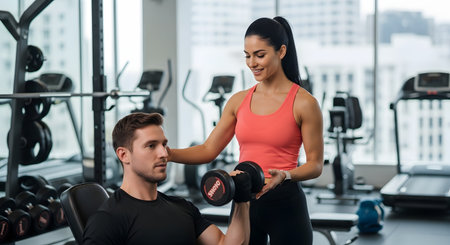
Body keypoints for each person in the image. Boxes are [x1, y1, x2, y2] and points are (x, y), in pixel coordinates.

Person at [168, 16, 323, 245]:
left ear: (281, 51)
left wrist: (286, 175)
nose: (252, 63)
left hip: (286, 204)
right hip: (244, 201)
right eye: (247, 55)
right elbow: (208, 149)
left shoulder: (304, 103)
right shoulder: (238, 101)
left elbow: (315, 165)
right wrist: (168, 154)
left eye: (260, 55)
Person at [83, 112, 250, 245]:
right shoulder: (108, 219)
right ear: (124, 155)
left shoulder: (182, 207)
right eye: (151, 146)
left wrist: (241, 199)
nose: (164, 153)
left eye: (163, 144)